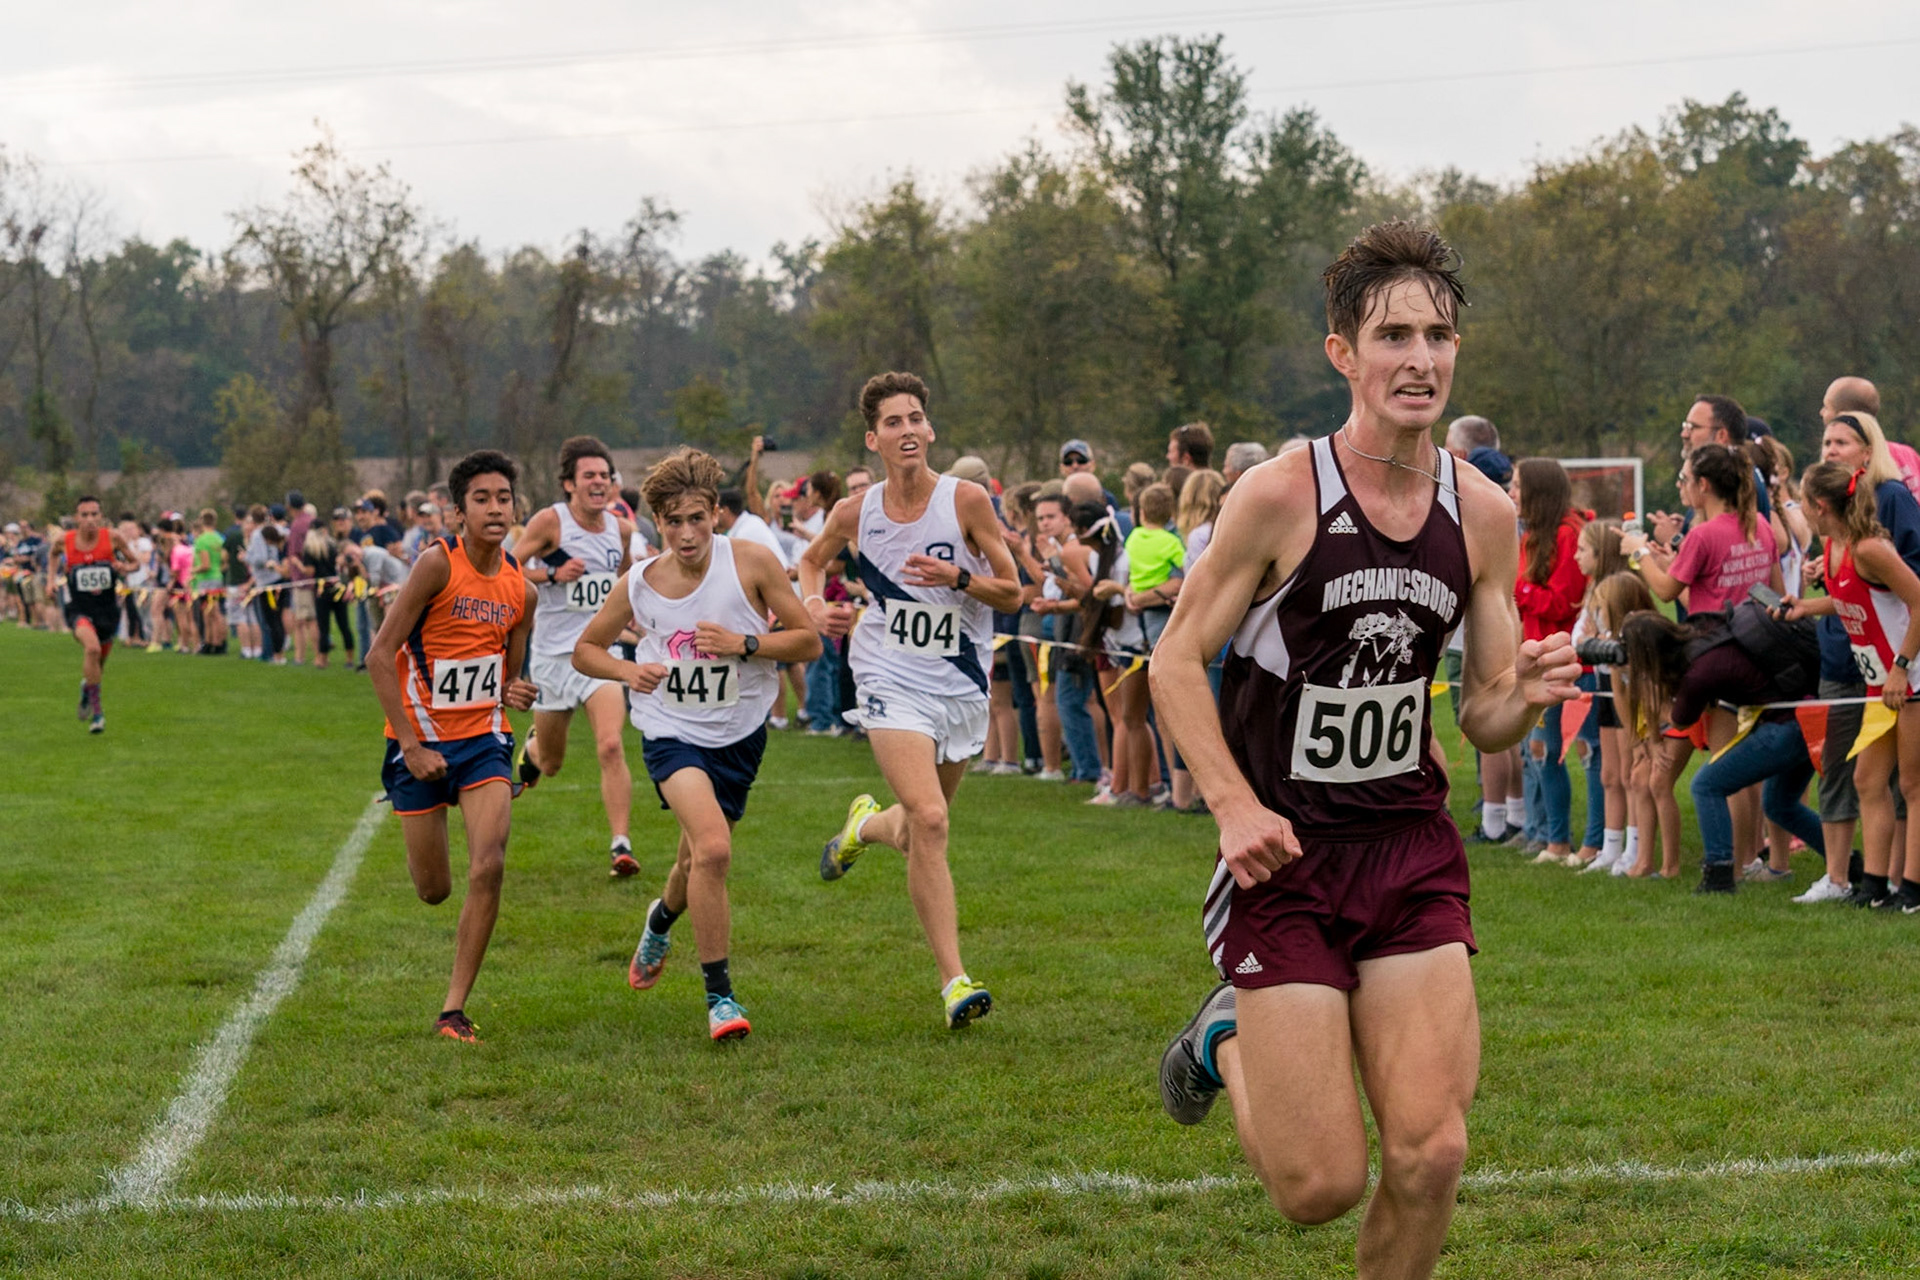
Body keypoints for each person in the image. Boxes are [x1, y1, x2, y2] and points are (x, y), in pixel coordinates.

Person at [1150, 222, 1579, 1277]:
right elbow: (1174, 661)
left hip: (1408, 849)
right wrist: (1233, 806)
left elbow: (1482, 716)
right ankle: (1223, 1036)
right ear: (1342, 352)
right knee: (1319, 1188)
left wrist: (1522, 697)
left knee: (1433, 1152)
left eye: (1437, 335)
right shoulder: (1279, 494)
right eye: (1393, 335)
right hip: (1287, 858)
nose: (1419, 358)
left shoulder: (1482, 512)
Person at [799, 371, 1023, 1030]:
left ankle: (863, 827)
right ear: (873, 439)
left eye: (915, 418)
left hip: (959, 683)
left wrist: (959, 577)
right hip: (886, 675)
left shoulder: (966, 501)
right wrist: (814, 606)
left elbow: (1014, 592)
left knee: (919, 825)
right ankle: (955, 981)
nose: (907, 431)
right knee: (930, 819)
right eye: (893, 422)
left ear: (930, 430)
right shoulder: (856, 512)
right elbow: (811, 561)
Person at [573, 448, 820, 1041]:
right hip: (670, 730)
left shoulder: (752, 561)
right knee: (712, 850)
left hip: (740, 733)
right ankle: (721, 999)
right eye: (673, 522)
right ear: (657, 521)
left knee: (693, 861)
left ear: (715, 513)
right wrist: (628, 671)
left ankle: (661, 919)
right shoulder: (641, 582)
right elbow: (585, 649)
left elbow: (808, 641)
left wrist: (745, 644)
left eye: (697, 519)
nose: (686, 534)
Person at [365, 450, 538, 1043]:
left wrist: (516, 690)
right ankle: (416, 793)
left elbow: (508, 677)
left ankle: (452, 1009)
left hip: (484, 741)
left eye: (503, 498)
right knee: (434, 890)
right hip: (420, 744)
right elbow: (379, 656)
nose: (495, 508)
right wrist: (411, 747)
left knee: (489, 864)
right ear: (459, 512)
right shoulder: (437, 565)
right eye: (482, 499)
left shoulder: (522, 590)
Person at [1786, 461, 1920, 910]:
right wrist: (1806, 607)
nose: (1801, 510)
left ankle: (1912, 890)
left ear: (1820, 505)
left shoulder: (1870, 548)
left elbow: (1918, 601)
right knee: (1867, 780)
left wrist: (1902, 666)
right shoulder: (1834, 545)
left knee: (1913, 785)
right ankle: (1875, 887)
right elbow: (1850, 597)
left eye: (1802, 502)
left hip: (1909, 676)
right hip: (1879, 681)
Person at [509, 436, 640, 877]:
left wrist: (634, 617)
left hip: (600, 652)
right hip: (551, 656)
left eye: (605, 475)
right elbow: (507, 567)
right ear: (569, 484)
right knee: (551, 764)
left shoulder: (622, 530)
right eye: (589, 476)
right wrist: (551, 573)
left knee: (610, 744)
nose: (599, 482)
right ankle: (533, 748)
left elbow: (625, 578)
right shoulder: (551, 522)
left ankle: (621, 845)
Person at [1512, 460, 1588, 865]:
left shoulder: (1567, 535)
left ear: (1538, 492)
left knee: (1550, 748)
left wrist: (1520, 590)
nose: (1511, 493)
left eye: (1518, 485)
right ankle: (1540, 833)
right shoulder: (1532, 535)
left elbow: (1563, 603)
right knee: (1533, 749)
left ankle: (1558, 840)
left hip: (1559, 659)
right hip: (1534, 657)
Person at [52, 495, 138, 733]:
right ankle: (98, 715)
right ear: (76, 517)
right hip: (79, 609)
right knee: (92, 649)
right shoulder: (65, 540)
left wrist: (124, 567)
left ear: (101, 516)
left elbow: (136, 563)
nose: (89, 519)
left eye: (94, 514)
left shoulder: (113, 538)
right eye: (84, 515)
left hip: (107, 611)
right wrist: (50, 581)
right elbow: (52, 554)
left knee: (97, 663)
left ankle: (86, 690)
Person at [189, 509, 227, 654]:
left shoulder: (202, 540)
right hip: (217, 576)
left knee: (213, 612)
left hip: (206, 579)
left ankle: (216, 643)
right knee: (211, 612)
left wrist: (193, 570)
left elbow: (205, 565)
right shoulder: (219, 538)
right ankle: (212, 641)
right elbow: (224, 561)